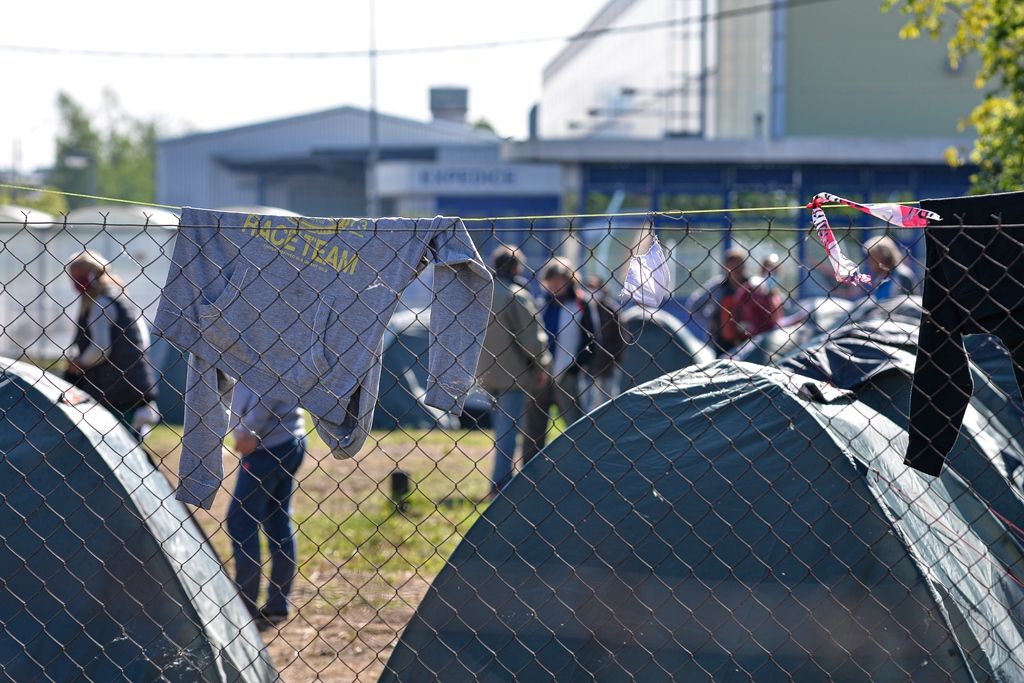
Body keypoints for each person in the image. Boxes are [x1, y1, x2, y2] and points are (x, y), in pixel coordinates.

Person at [226, 379, 307, 631]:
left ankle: (245, 607)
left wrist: (250, 430)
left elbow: (270, 379)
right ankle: (277, 605)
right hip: (288, 438)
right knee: (277, 521)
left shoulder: (267, 348)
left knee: (241, 521)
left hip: (267, 444)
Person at [477, 247, 552, 495]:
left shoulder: (482, 293)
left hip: (485, 373)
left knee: (500, 432)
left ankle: (499, 481)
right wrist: (543, 364)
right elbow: (531, 339)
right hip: (513, 374)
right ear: (515, 267)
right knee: (508, 434)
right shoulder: (516, 295)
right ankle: (501, 484)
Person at [64, 251, 158, 436]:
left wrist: (80, 363)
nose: (76, 283)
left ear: (93, 274)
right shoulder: (119, 296)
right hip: (132, 384)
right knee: (129, 442)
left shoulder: (100, 303)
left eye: (80, 276)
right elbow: (143, 339)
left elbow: (101, 348)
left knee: (114, 440)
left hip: (113, 389)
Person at [520, 259, 599, 466]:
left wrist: (575, 369)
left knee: (575, 425)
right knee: (533, 428)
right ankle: (531, 469)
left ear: (569, 280)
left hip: (568, 375)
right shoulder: (540, 304)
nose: (555, 285)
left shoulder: (581, 304)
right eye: (551, 280)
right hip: (540, 375)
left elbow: (591, 341)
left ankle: (582, 466)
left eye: (559, 280)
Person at [685, 247, 750, 355]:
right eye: (733, 265)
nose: (737, 268)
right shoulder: (718, 286)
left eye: (740, 264)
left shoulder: (752, 286)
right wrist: (710, 321)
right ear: (726, 266)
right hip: (720, 341)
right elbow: (693, 304)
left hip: (748, 340)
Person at [581, 275, 626, 412]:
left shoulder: (612, 310)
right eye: (589, 287)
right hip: (589, 362)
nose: (591, 291)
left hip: (608, 362)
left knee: (608, 398)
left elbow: (621, 338)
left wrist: (615, 358)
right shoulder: (584, 308)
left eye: (594, 287)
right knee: (588, 400)